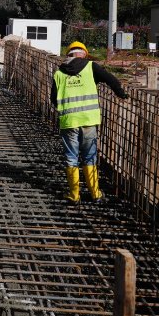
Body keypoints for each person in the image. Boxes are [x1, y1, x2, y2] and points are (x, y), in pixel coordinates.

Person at [51, 41, 128, 203]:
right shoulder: (91, 67)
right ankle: (95, 194)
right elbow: (111, 79)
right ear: (84, 54)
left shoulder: (59, 72)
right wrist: (121, 93)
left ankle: (74, 195)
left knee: (71, 157)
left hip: (69, 121)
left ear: (69, 54)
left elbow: (54, 99)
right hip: (88, 120)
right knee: (90, 156)